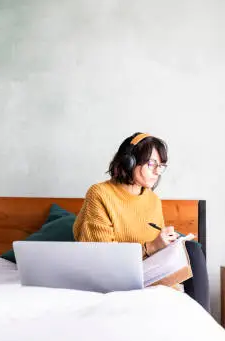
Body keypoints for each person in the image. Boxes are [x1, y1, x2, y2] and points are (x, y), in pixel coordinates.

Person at [73, 132, 210, 312]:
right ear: (129, 161)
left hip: (146, 274)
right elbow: (103, 258)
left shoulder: (153, 200)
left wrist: (167, 244)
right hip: (112, 277)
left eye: (161, 166)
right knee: (192, 252)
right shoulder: (99, 194)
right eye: (152, 163)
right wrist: (152, 246)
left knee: (192, 249)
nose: (157, 171)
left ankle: (201, 322)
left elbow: (155, 253)